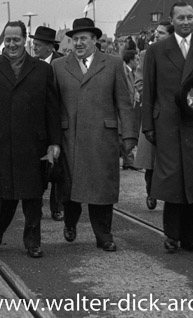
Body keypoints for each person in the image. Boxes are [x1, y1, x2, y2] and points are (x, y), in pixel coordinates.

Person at [0, 21, 61, 258]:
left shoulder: (42, 70)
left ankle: (32, 241)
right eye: (8, 39)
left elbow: (52, 110)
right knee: (3, 195)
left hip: (34, 145)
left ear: (25, 40)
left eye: (17, 39)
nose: (12, 44)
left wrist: (54, 142)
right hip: (1, 145)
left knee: (33, 196)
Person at [141, 2, 193, 253]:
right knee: (172, 179)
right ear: (172, 20)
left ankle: (191, 237)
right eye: (181, 18)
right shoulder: (156, 50)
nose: (186, 21)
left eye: (190, 17)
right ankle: (172, 235)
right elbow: (149, 90)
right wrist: (148, 125)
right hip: (166, 123)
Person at [53, 18, 137, 252]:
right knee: (70, 187)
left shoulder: (112, 64)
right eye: (75, 39)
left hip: (103, 138)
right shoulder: (59, 66)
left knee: (102, 189)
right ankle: (70, 224)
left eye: (83, 39)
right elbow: (52, 105)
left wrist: (129, 135)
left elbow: (124, 102)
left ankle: (104, 236)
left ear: (94, 40)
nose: (78, 43)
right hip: (70, 137)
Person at [134, 20, 173, 210]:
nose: (156, 35)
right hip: (153, 111)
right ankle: (151, 189)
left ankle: (167, 192)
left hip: (173, 114)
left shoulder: (179, 55)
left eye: (161, 33)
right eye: (156, 32)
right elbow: (139, 83)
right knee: (150, 159)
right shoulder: (146, 54)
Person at [29, 25, 65, 221]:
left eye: (38, 45)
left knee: (57, 166)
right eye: (34, 44)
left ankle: (56, 206)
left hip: (59, 120)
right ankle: (37, 203)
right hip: (39, 123)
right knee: (39, 166)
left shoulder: (63, 63)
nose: (34, 48)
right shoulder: (32, 64)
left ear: (50, 47)